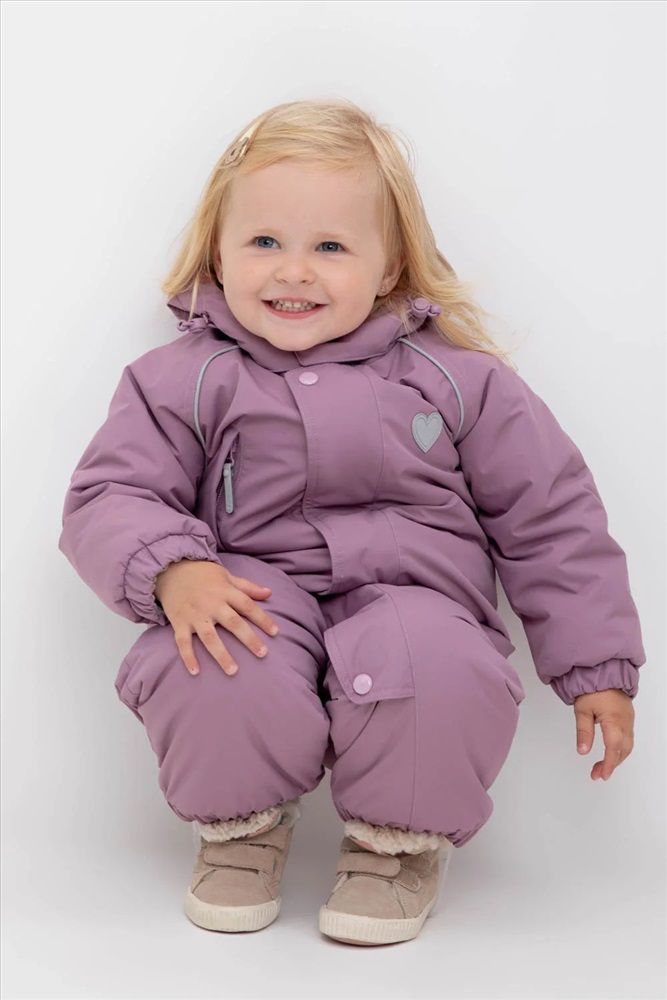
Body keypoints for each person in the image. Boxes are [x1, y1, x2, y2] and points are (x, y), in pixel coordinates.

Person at [58, 98, 646, 947]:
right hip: (258, 589)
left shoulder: (459, 380)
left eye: (330, 247)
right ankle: (241, 829)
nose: (293, 271)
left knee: (433, 664)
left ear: (389, 264)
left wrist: (595, 664)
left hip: (419, 596)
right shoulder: (181, 379)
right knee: (214, 653)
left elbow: (549, 518)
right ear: (219, 252)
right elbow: (111, 492)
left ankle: (395, 848)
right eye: (264, 242)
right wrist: (171, 569)